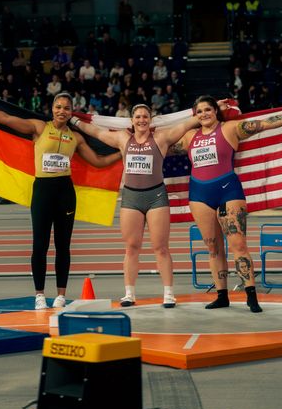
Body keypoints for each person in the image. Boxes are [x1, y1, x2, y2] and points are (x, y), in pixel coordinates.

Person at [0, 88, 121, 310]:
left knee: (63, 246)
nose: (62, 111)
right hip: (42, 191)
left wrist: (123, 151)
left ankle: (60, 295)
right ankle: (39, 294)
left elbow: (98, 161)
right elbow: (7, 119)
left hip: (65, 192)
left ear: (71, 112)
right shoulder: (39, 128)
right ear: (52, 109)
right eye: (58, 107)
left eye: (66, 108)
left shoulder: (75, 137)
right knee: (39, 245)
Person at [172, 95, 282, 313]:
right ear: (194, 116)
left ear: (216, 111)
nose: (204, 114)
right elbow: (161, 145)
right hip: (199, 195)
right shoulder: (189, 136)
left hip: (228, 191)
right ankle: (221, 296)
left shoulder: (230, 129)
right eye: (199, 112)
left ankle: (251, 296)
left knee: (238, 245)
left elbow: (264, 124)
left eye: (208, 109)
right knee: (213, 249)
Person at [70, 103, 200, 308]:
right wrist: (74, 120)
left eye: (145, 117)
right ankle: (129, 293)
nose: (141, 120)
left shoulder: (161, 138)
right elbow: (95, 131)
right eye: (138, 117)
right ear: (132, 120)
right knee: (131, 247)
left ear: (151, 120)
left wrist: (206, 110)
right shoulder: (123, 138)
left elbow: (185, 126)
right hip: (131, 198)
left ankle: (168, 293)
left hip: (156, 196)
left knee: (161, 248)